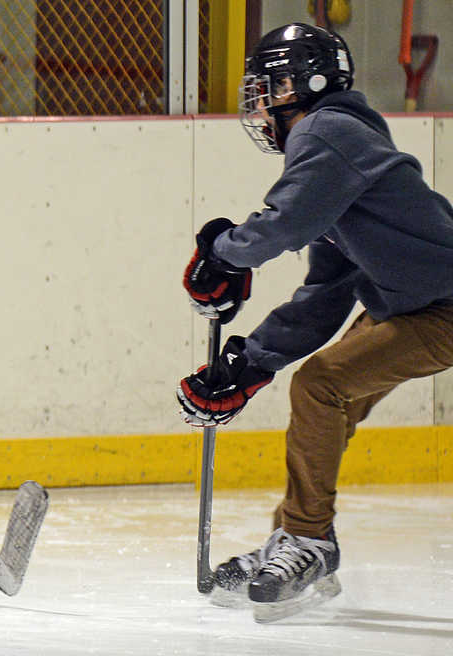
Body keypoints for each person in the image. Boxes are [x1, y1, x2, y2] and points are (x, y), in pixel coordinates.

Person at [178, 23, 453, 622]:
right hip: (412, 307)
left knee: (321, 387)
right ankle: (296, 538)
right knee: (332, 402)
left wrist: (224, 251)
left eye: (270, 87)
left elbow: (281, 224)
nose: (260, 103)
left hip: (443, 309)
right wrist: (252, 361)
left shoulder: (326, 134)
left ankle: (308, 540)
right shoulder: (341, 152)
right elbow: (327, 293)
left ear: (308, 84)